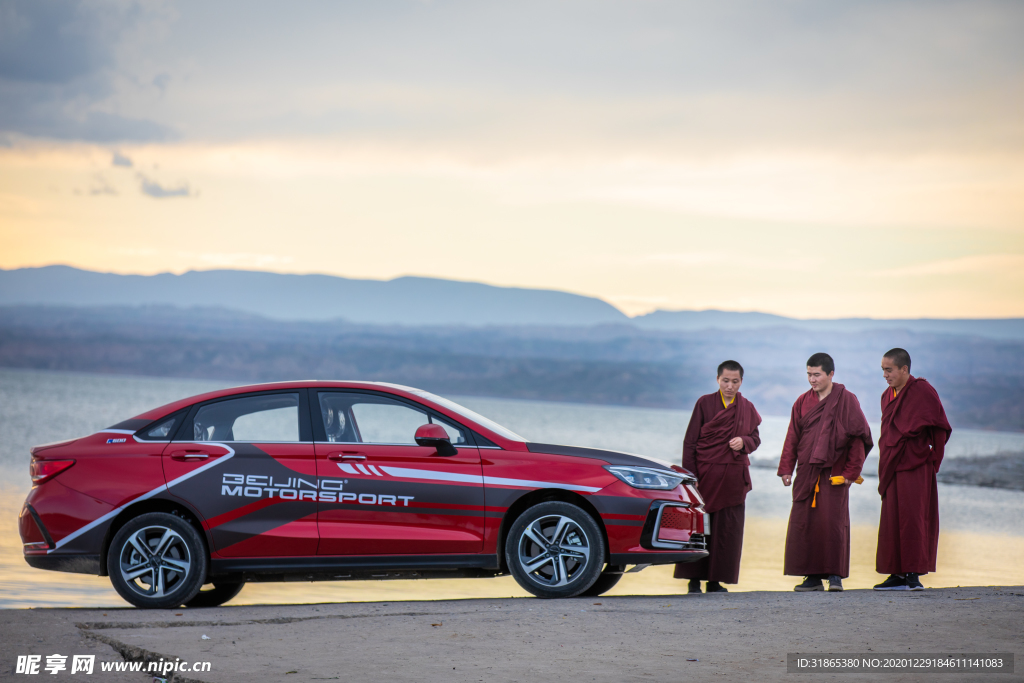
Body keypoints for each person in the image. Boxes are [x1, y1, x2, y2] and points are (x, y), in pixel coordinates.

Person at [778, 352, 873, 592]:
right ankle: (811, 576)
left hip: (835, 473)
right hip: (807, 471)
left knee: (832, 523)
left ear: (831, 374)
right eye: (809, 374)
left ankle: (834, 576)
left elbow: (859, 438)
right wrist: (786, 468)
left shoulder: (846, 399)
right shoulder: (802, 401)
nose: (812, 379)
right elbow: (792, 437)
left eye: (817, 375)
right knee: (806, 523)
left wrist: (852, 472)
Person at [675, 360, 761, 593]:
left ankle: (715, 580)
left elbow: (755, 439)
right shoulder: (704, 403)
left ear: (741, 381)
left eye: (735, 381)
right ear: (717, 380)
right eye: (726, 380)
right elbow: (690, 442)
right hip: (705, 475)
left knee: (726, 530)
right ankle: (694, 580)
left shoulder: (747, 407)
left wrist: (744, 442)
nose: (730, 386)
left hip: (733, 478)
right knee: (699, 527)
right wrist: (691, 478)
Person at [874, 348, 952, 591]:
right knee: (892, 518)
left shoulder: (923, 391)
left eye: (889, 370)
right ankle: (896, 573)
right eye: (883, 370)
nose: (885, 375)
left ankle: (913, 573)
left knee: (913, 517)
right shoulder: (887, 396)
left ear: (904, 369)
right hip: (892, 464)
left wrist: (932, 457)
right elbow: (889, 432)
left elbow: (940, 427)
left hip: (916, 463)